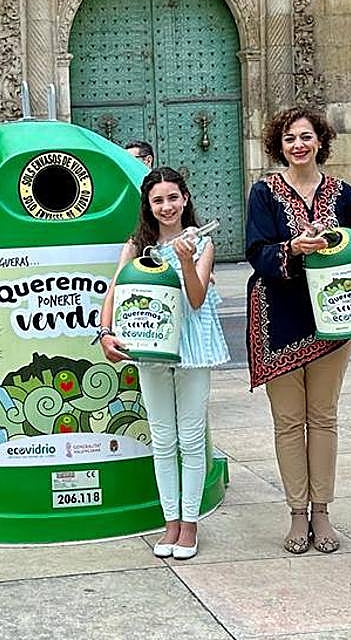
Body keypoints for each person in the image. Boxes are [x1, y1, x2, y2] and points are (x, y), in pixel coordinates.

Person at [244, 106, 351, 556]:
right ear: (280, 145)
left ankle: (323, 511)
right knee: (289, 421)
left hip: (333, 315)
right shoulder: (265, 193)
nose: (299, 145)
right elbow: (256, 251)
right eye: (290, 138)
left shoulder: (343, 193)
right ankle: (297, 511)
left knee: (325, 416)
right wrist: (292, 247)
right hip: (279, 315)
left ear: (320, 141)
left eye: (306, 137)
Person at [97, 167, 229, 559]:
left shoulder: (202, 243)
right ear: (148, 206)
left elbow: (196, 298)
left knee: (190, 438)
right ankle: (169, 521)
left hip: (191, 344)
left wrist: (186, 260)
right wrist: (105, 333)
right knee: (162, 439)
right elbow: (115, 290)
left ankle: (190, 523)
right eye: (158, 200)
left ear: (185, 199)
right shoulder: (137, 245)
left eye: (173, 197)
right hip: (149, 343)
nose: (167, 206)